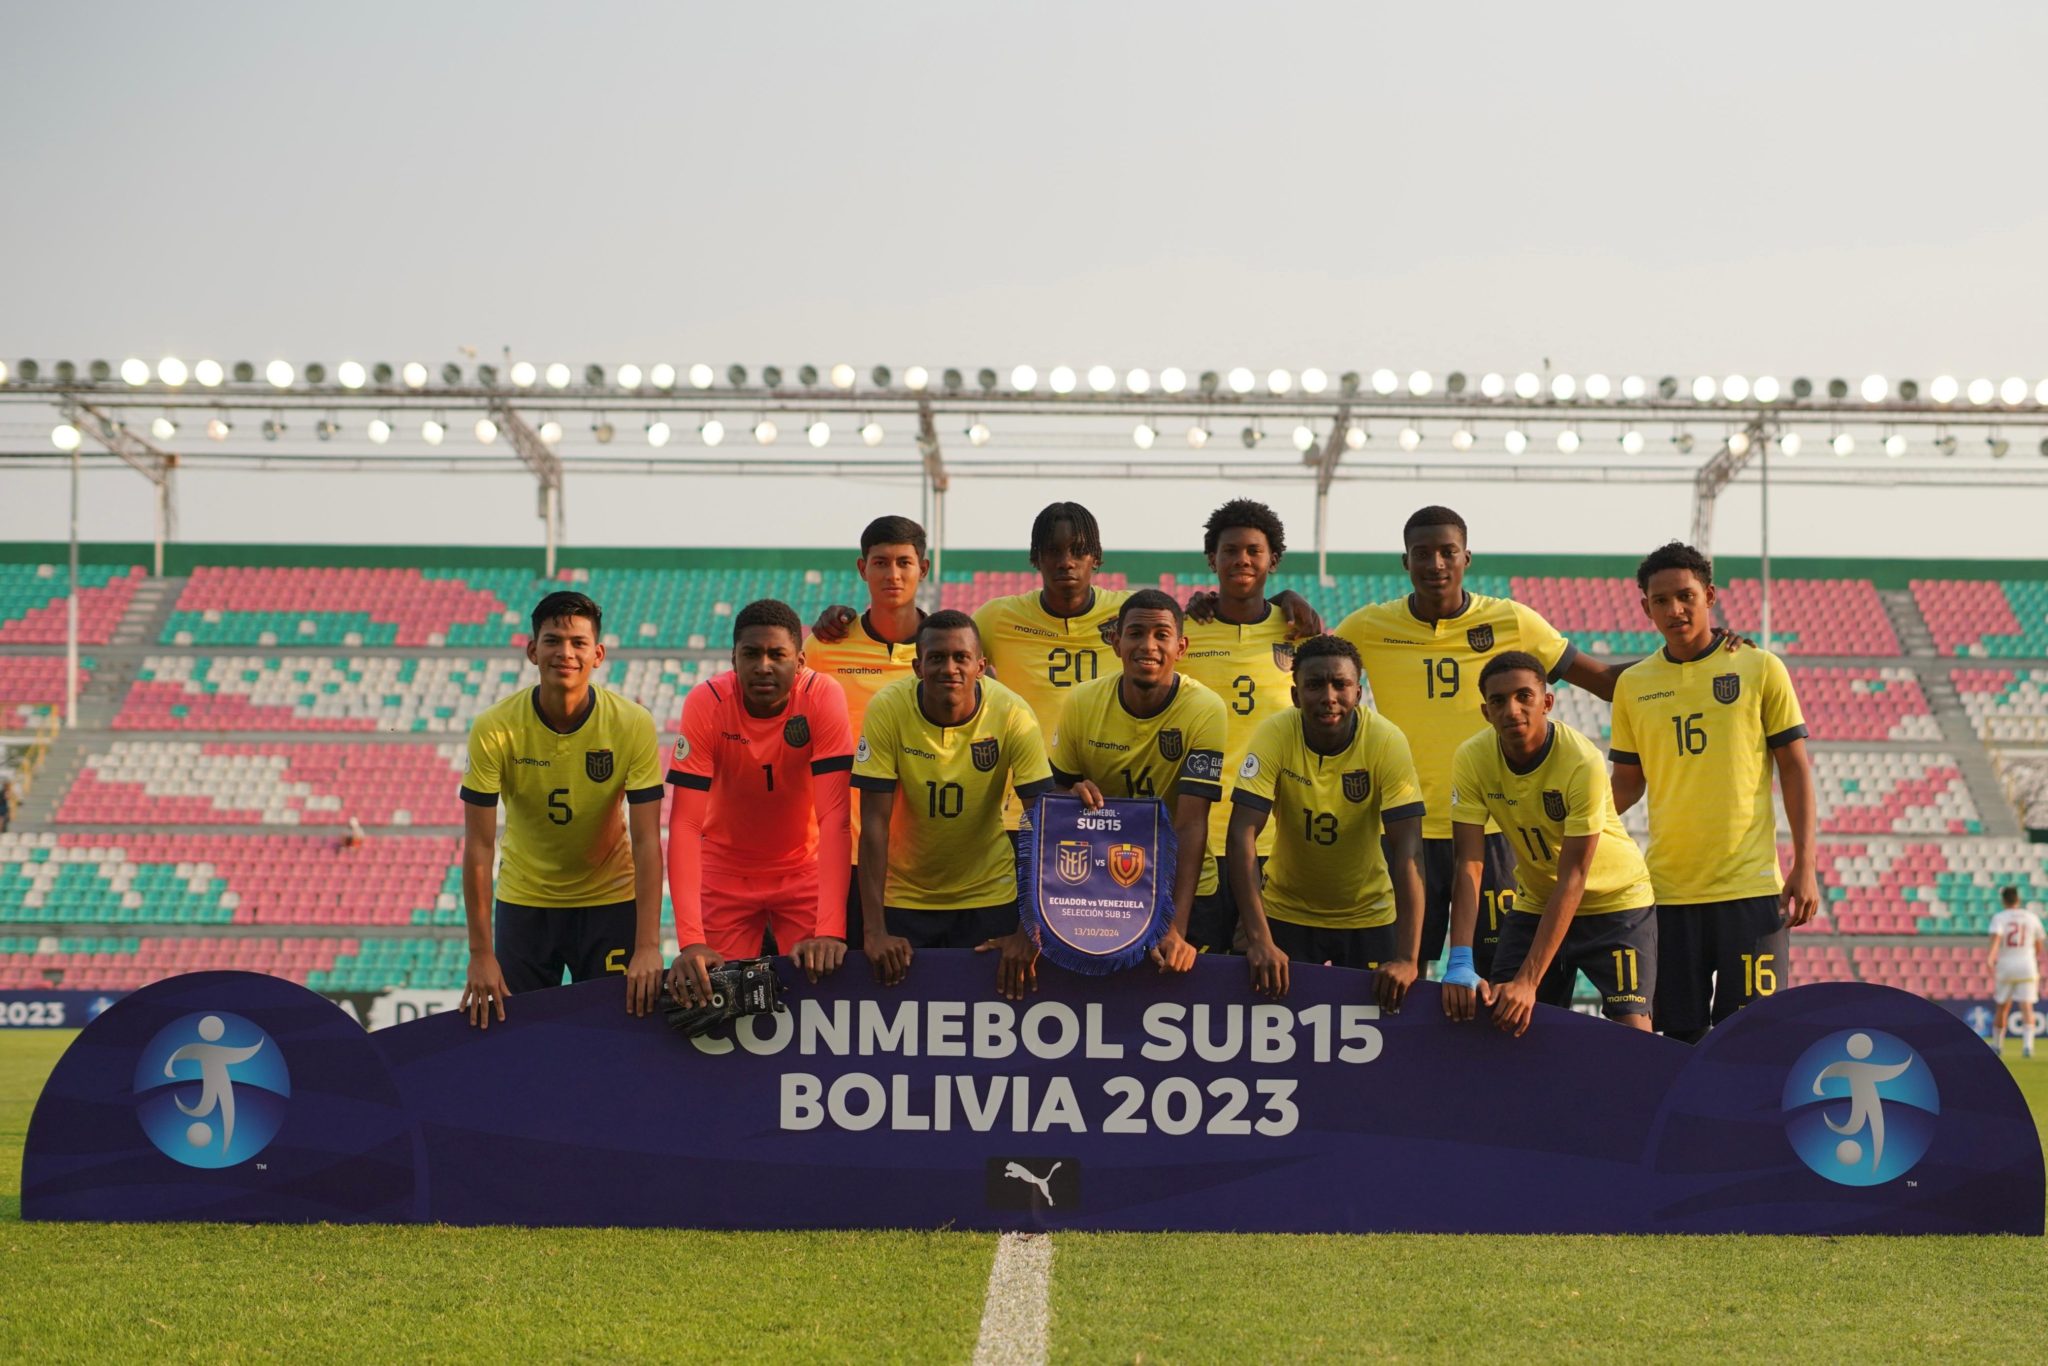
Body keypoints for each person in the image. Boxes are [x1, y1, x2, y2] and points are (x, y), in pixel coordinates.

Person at [1333, 507, 1639, 981]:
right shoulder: (1369, 627)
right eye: (1422, 553)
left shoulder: (1511, 620)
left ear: (1466, 558)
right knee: (1399, 977)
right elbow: (1308, 665)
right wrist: (1286, 603)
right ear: (1406, 561)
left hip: (1494, 829)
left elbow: (1604, 682)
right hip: (1404, 827)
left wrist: (1689, 659)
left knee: (1496, 980)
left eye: (1447, 552)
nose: (1436, 564)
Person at [1607, 541, 1817, 1043]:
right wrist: (1576, 829)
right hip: (1667, 893)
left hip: (1751, 891)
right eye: (1661, 600)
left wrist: (1805, 864)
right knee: (1679, 1041)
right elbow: (1627, 784)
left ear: (1710, 596)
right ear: (1646, 608)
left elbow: (1794, 769)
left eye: (1686, 596)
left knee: (1753, 1040)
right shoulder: (1633, 685)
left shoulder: (1760, 667)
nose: (1675, 610)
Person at [986, 589, 1223, 999]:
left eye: (1161, 635)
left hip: (1183, 889)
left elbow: (1190, 822)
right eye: (1136, 633)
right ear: (1115, 642)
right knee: (1096, 1001)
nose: (1148, 646)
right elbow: (1054, 799)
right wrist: (1072, 792)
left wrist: (1175, 927)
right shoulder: (1083, 701)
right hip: (1101, 889)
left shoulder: (1206, 709)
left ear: (1181, 647)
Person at [458, 591, 664, 1028]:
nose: (565, 653)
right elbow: (478, 845)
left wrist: (649, 945)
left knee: (616, 1035)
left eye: (578, 642)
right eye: (552, 640)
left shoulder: (632, 723)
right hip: (525, 905)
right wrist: (480, 954)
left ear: (598, 654)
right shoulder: (494, 727)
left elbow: (647, 840)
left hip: (610, 902)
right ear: (533, 650)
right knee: (522, 1041)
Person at [1441, 652, 1658, 1036]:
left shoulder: (1581, 760)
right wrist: (1460, 959)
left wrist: (1529, 980)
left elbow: (1574, 876)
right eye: (1498, 701)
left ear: (1547, 702)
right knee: (1501, 1020)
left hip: (1615, 903)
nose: (1512, 710)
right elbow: (1470, 863)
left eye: (1524, 696)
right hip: (1537, 901)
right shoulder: (1472, 757)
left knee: (1632, 1032)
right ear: (1486, 712)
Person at [666, 599, 855, 1007]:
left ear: (800, 662)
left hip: (804, 870)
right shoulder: (706, 702)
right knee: (720, 1004)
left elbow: (835, 817)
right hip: (726, 872)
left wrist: (830, 930)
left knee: (818, 1003)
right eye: (751, 654)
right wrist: (691, 941)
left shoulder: (823, 696)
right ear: (733, 659)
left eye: (777, 655)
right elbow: (684, 825)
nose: (763, 666)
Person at [851, 611, 1054, 985]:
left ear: (981, 666)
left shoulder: (1012, 712)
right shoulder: (887, 708)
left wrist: (1032, 928)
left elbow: (1044, 822)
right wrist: (874, 930)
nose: (949, 668)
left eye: (961, 657)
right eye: (936, 658)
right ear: (917, 667)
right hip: (904, 897)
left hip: (989, 894)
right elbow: (874, 824)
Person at [1227, 635, 1427, 1009]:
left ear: (1359, 692)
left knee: (1378, 1034)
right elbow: (1242, 834)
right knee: (1275, 1031)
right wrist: (1259, 939)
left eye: (1340, 684)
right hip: (1285, 912)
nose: (1328, 696)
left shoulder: (1385, 740)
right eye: (1315, 685)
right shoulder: (1275, 733)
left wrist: (1407, 957)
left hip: (1368, 915)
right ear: (1295, 695)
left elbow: (1408, 849)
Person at [1179, 499, 1304, 954]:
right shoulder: (1184, 632)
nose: (1242, 560)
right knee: (1192, 970)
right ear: (1212, 559)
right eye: (1230, 550)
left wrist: (1288, 599)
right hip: (1197, 838)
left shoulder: (1299, 632)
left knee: (1266, 970)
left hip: (1275, 840)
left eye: (1254, 551)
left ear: (1274, 559)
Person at [801, 515, 931, 951]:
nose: (892, 574)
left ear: (922, 569)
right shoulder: (825, 647)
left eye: (903, 563)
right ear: (862, 569)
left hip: (923, 854)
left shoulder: (945, 652)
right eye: (880, 563)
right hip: (843, 852)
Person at [1988, 885, 2044, 1057]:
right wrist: (2030, 956)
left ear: (2003, 901)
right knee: (2027, 1006)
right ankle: (2028, 1047)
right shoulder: (2031, 917)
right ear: (2018, 899)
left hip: (2006, 965)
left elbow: (1996, 940)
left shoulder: (2000, 917)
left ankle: (1997, 1046)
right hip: (2027, 965)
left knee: (2002, 1006)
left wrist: (1991, 958)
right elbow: (2039, 944)